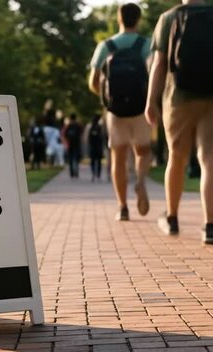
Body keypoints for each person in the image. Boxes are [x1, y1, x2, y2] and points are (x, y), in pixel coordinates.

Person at [145, 0, 213, 244]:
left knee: (177, 156)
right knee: (209, 158)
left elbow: (159, 63)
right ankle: (209, 226)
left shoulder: (168, 18)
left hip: (178, 97)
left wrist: (151, 101)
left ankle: (172, 218)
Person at [88, 2, 152, 221]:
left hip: (115, 111)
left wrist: (105, 98)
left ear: (119, 18)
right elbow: (154, 76)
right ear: (139, 19)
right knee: (142, 151)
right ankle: (141, 179)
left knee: (118, 157)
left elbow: (93, 81)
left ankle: (123, 207)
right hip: (141, 109)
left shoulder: (106, 46)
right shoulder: (146, 44)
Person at [62, 113, 82, 178]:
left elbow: (63, 134)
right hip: (77, 144)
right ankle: (76, 172)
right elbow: (81, 134)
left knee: (70, 159)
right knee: (76, 159)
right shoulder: (78, 126)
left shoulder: (68, 126)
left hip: (70, 144)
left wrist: (66, 143)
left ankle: (72, 173)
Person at [85, 114, 105, 182]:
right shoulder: (100, 127)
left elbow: (87, 138)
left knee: (92, 162)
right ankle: (98, 175)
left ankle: (93, 174)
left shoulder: (89, 127)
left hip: (92, 147)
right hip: (98, 147)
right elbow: (103, 137)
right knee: (99, 162)